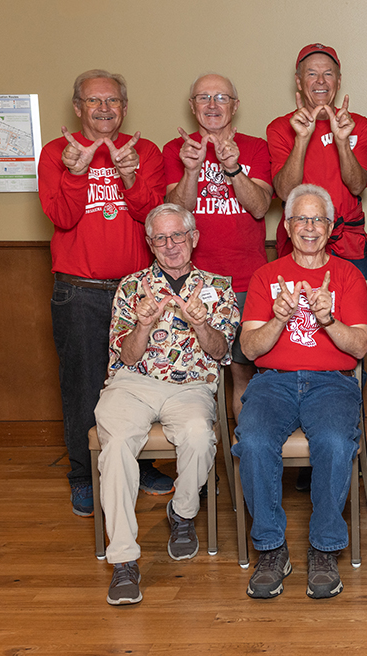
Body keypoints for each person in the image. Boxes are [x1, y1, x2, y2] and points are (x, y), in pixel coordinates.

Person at [37, 69, 169, 517]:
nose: (104, 109)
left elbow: (154, 217)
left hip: (136, 290)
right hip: (79, 291)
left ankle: (143, 462)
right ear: (78, 108)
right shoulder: (57, 152)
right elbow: (60, 215)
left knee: (141, 380)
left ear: (124, 107)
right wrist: (76, 173)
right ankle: (82, 474)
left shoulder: (144, 151)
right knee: (82, 384)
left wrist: (130, 179)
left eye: (112, 101)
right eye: (94, 101)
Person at [94, 203, 240, 605]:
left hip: (190, 386)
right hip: (132, 384)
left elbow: (222, 350)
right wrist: (141, 326)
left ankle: (182, 513)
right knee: (119, 445)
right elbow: (124, 357)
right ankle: (124, 561)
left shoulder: (218, 287)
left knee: (197, 435)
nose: (171, 245)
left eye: (178, 235)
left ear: (193, 238)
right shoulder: (131, 287)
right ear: (150, 244)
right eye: (161, 238)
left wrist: (200, 323)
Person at [232, 184, 367, 601]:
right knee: (253, 440)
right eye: (301, 219)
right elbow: (250, 349)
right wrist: (278, 319)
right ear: (287, 226)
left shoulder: (349, 276)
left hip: (332, 382)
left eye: (318, 220)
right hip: (272, 381)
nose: (309, 227)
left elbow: (360, 347)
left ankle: (325, 549)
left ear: (330, 227)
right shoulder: (265, 277)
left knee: (331, 441)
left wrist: (328, 319)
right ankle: (272, 550)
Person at [163, 73, 273, 420]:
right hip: (191, 283)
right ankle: (202, 465)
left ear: (235, 106)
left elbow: (259, 207)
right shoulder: (175, 150)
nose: (213, 105)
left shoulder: (255, 147)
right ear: (192, 106)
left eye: (222, 98)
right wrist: (191, 170)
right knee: (189, 377)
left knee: (244, 375)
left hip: (245, 281)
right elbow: (175, 212)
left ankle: (243, 469)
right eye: (204, 97)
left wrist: (233, 169)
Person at [268, 43, 367, 277]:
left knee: (350, 313)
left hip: (348, 245)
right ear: (298, 81)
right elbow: (284, 191)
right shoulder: (279, 128)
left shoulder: (358, 125)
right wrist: (302, 139)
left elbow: (357, 185)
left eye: (328, 74)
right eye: (312, 74)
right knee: (294, 313)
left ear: (338, 79)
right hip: (298, 242)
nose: (321, 81)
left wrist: (343, 141)